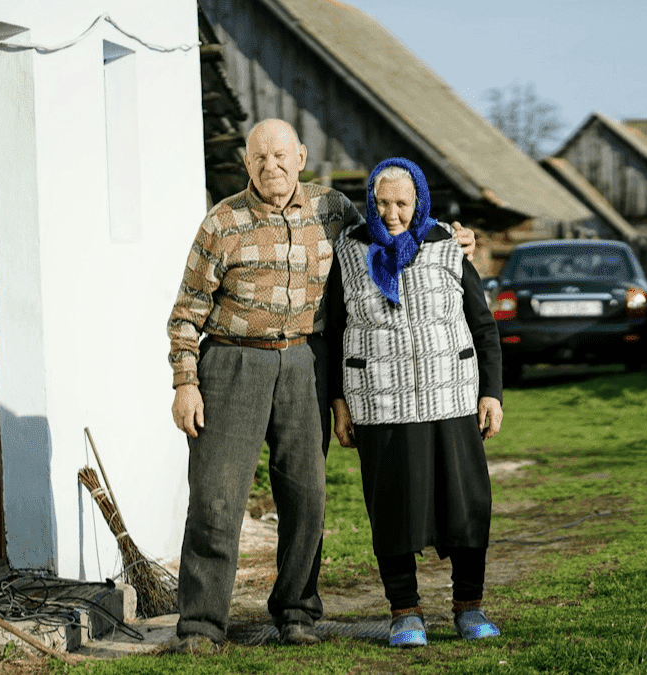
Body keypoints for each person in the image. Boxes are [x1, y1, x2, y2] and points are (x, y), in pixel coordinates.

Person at [167, 120, 474, 652]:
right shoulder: (221, 222)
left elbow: (392, 229)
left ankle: (297, 612)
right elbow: (186, 313)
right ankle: (201, 624)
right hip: (233, 365)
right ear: (246, 163)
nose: (272, 167)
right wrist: (185, 383)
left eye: (282, 156)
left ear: (302, 156)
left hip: (305, 363)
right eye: (260, 158)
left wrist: (452, 235)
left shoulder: (333, 210)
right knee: (216, 499)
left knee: (305, 497)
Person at [326, 157, 504, 648]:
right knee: (392, 510)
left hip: (450, 399)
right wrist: (338, 403)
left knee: (466, 506)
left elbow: (483, 325)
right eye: (382, 203)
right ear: (370, 202)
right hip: (380, 405)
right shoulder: (348, 251)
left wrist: (491, 392)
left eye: (402, 203)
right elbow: (336, 332)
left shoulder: (447, 246)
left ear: (418, 201)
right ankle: (405, 611)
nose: (391, 213)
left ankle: (469, 606)